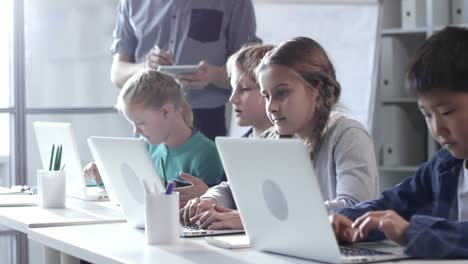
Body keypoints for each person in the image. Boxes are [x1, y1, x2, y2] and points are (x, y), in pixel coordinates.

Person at [183, 37, 380, 230]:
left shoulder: (348, 135)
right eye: (266, 96)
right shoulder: (273, 138)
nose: (272, 107)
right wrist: (209, 200)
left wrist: (253, 219)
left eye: (282, 93)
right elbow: (232, 189)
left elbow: (353, 209)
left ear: (317, 90)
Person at [330, 27, 468, 259]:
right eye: (426, 114)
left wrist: (411, 231)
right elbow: (392, 203)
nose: (437, 129)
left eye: (447, 111)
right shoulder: (444, 166)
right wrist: (347, 221)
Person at [109, 0, 260, 140]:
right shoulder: (131, 2)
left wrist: (213, 75)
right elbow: (117, 74)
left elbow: (251, 72)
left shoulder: (234, 2)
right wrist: (145, 68)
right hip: (145, 119)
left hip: (205, 119)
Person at [84, 69, 224, 207]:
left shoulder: (207, 154)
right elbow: (131, 188)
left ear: (166, 111)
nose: (136, 131)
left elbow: (216, 207)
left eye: (141, 123)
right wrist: (105, 177)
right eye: (133, 124)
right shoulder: (145, 147)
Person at [180, 44, 275, 228]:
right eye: (232, 89)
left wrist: (207, 193)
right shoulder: (239, 147)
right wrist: (208, 197)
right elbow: (229, 189)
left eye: (245, 89)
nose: (233, 98)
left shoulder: (288, 145)